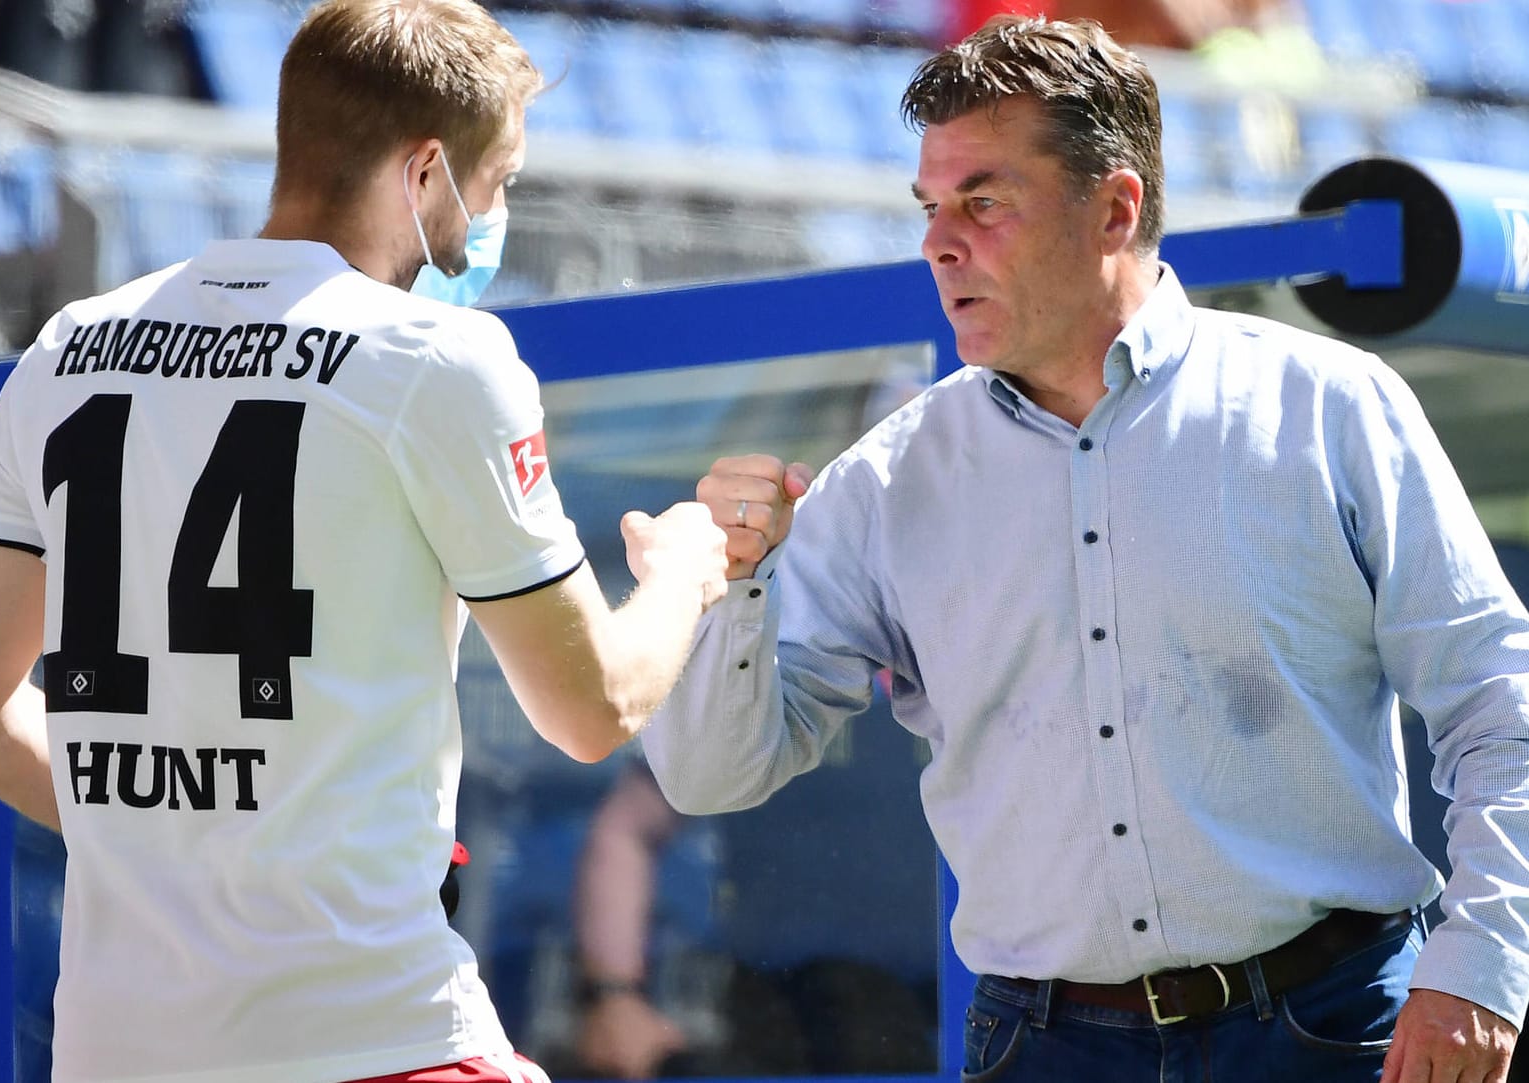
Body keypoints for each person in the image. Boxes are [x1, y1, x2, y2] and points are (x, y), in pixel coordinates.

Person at [641, 15, 1529, 1083]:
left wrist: (1482, 959)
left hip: (1335, 1030)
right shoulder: (884, 478)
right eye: (930, 209)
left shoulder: (1329, 407)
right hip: (1041, 1048)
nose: (937, 242)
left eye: (983, 202)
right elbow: (709, 777)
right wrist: (739, 592)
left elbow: (1496, 696)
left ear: (1115, 208)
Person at [0, 1, 730, 1079]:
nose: (494, 215)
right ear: (426, 171)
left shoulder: (68, 348)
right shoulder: (436, 359)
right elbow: (592, 707)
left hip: (120, 1051)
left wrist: (174, 847)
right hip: (370, 1039)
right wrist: (684, 573)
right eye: (499, 182)